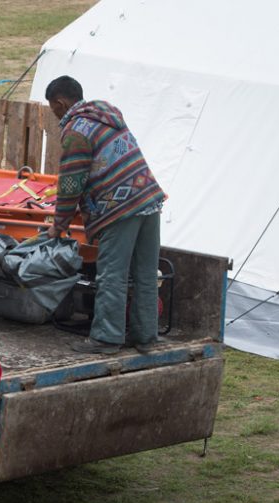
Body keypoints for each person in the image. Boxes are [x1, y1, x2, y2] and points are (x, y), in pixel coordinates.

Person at [44, 75, 166, 354]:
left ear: (61, 103)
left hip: (119, 207)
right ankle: (145, 337)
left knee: (112, 273)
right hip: (147, 196)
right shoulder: (106, 113)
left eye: (54, 109)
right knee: (146, 273)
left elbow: (71, 183)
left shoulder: (76, 130)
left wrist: (58, 225)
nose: (55, 116)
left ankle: (107, 338)